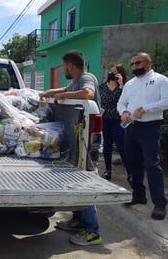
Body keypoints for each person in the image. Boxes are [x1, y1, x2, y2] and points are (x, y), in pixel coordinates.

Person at [40, 50, 102, 246]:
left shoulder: (87, 78)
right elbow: (68, 88)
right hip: (76, 141)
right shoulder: (77, 80)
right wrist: (52, 92)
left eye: (63, 65)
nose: (63, 68)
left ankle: (93, 232)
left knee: (83, 181)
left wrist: (64, 94)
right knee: (76, 179)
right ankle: (78, 220)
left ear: (70, 66)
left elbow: (88, 94)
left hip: (85, 141)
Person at [117, 52, 168, 220]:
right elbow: (121, 102)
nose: (134, 67)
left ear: (148, 62)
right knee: (132, 162)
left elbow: (166, 101)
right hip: (131, 127)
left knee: (152, 165)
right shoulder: (130, 84)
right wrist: (123, 111)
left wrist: (145, 108)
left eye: (138, 63)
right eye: (132, 64)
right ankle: (138, 194)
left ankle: (159, 204)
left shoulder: (161, 80)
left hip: (150, 128)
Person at [99, 64, 131, 183]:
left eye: (115, 72)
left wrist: (121, 84)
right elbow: (99, 100)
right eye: (111, 71)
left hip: (118, 119)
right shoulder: (101, 87)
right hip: (105, 118)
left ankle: (130, 172)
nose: (112, 73)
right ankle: (108, 170)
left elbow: (126, 100)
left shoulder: (125, 87)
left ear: (120, 74)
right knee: (107, 145)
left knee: (121, 145)